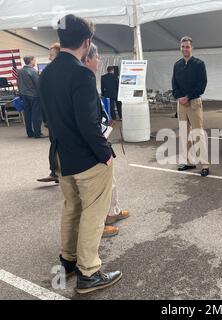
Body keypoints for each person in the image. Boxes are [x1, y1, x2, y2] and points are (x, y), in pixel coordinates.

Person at [38, 14, 122, 294]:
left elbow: (48, 118)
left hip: (62, 156)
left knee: (71, 208)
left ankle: (68, 261)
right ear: (87, 42)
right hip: (87, 158)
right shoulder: (82, 74)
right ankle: (90, 273)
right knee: (93, 214)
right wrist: (105, 153)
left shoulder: (47, 73)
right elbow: (88, 124)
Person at [82, 43, 130, 239]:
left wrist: (105, 118)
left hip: (100, 140)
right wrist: (103, 152)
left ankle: (113, 212)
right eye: (97, 57)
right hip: (92, 147)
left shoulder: (89, 79)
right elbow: (86, 122)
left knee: (110, 182)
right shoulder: (81, 81)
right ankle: (97, 226)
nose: (99, 60)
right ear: (88, 59)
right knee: (96, 189)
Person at [172, 36, 209, 177]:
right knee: (184, 134)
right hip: (181, 104)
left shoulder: (199, 64)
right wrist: (179, 97)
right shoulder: (177, 65)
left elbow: (202, 84)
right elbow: (174, 84)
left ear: (191, 48)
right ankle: (189, 161)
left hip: (194, 103)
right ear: (180, 48)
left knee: (198, 133)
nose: (185, 49)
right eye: (183, 47)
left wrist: (188, 97)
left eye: (187, 46)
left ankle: (204, 164)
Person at [37, 43, 61, 183]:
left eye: (51, 55)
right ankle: (55, 172)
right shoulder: (50, 72)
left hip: (55, 117)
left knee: (56, 144)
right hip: (55, 117)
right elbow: (44, 97)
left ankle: (56, 172)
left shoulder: (52, 71)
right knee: (56, 144)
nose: (49, 57)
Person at [18, 56, 46, 138]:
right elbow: (38, 84)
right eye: (34, 60)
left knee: (27, 114)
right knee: (36, 114)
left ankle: (29, 132)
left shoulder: (20, 71)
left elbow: (18, 84)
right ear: (30, 61)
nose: (35, 61)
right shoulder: (33, 71)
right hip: (34, 95)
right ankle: (37, 133)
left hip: (24, 95)